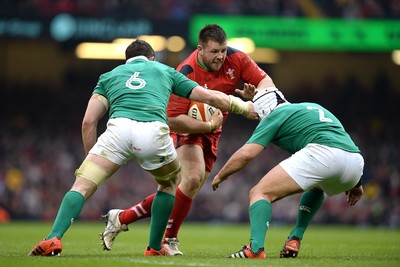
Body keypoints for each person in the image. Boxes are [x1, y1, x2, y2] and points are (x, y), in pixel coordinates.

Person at [28, 39, 257, 257]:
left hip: (117, 130)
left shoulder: (109, 76)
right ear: (152, 58)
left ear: (126, 60)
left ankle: (53, 238)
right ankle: (155, 246)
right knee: (169, 185)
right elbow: (208, 96)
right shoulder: (164, 70)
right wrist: (245, 108)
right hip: (153, 130)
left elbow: (89, 121)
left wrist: (92, 157)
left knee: (82, 185)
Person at [100, 24, 275, 255]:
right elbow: (172, 119)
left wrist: (258, 97)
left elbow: (266, 83)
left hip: (213, 130)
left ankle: (122, 217)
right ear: (200, 49)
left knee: (185, 189)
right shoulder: (186, 71)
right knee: (192, 179)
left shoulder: (237, 58)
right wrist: (206, 125)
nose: (221, 56)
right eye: (214, 52)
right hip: (188, 129)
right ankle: (168, 239)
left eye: (223, 50)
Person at [211, 87, 365, 259]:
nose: (257, 118)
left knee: (259, 192)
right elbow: (341, 143)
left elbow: (246, 155)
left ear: (263, 111)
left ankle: (255, 249)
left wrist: (220, 175)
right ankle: (295, 238)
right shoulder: (309, 107)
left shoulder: (273, 116)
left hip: (324, 154)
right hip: (356, 163)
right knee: (316, 186)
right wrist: (357, 183)